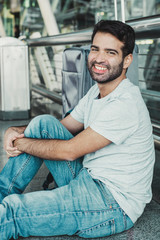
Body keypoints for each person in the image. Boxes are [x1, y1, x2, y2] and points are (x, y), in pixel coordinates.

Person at [0, 20, 155, 239]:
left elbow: (69, 151)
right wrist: (14, 131)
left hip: (112, 204)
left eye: (110, 52)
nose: (99, 58)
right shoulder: (96, 92)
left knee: (12, 213)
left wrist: (21, 142)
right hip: (88, 176)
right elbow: (60, 129)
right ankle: (1, 191)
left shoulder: (125, 102)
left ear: (127, 59)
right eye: (95, 49)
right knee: (43, 124)